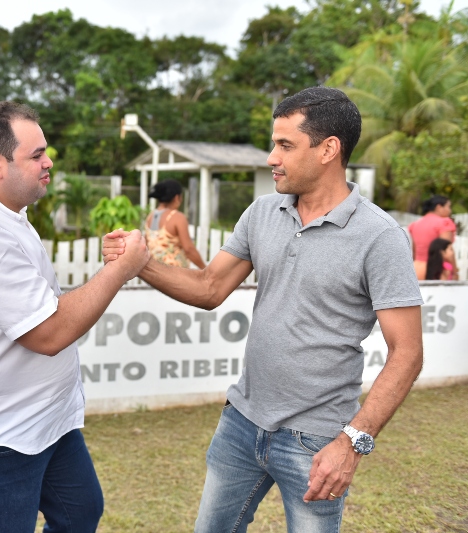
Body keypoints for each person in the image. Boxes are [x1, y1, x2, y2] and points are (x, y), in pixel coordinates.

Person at [103, 87, 424, 532]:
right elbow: (210, 287)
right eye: (274, 143)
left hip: (317, 440)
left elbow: (407, 352)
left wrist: (351, 444)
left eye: (285, 145)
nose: (272, 157)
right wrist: (140, 263)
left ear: (329, 148)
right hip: (241, 422)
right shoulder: (262, 213)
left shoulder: (380, 236)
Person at [0, 101, 149, 533]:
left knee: (79, 512)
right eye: (36, 155)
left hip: (45, 422)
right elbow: (49, 332)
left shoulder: (6, 214)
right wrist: (121, 269)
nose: (49, 163)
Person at [145, 179, 206, 269]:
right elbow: (188, 249)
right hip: (175, 274)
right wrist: (204, 268)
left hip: (155, 273)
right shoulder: (177, 217)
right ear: (177, 197)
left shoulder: (150, 217)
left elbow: (147, 245)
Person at [408, 195, 458, 280]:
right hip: (435, 270)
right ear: (439, 207)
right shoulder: (444, 223)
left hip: (416, 268)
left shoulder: (416, 224)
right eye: (448, 207)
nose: (450, 211)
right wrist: (455, 272)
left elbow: (414, 251)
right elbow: (446, 252)